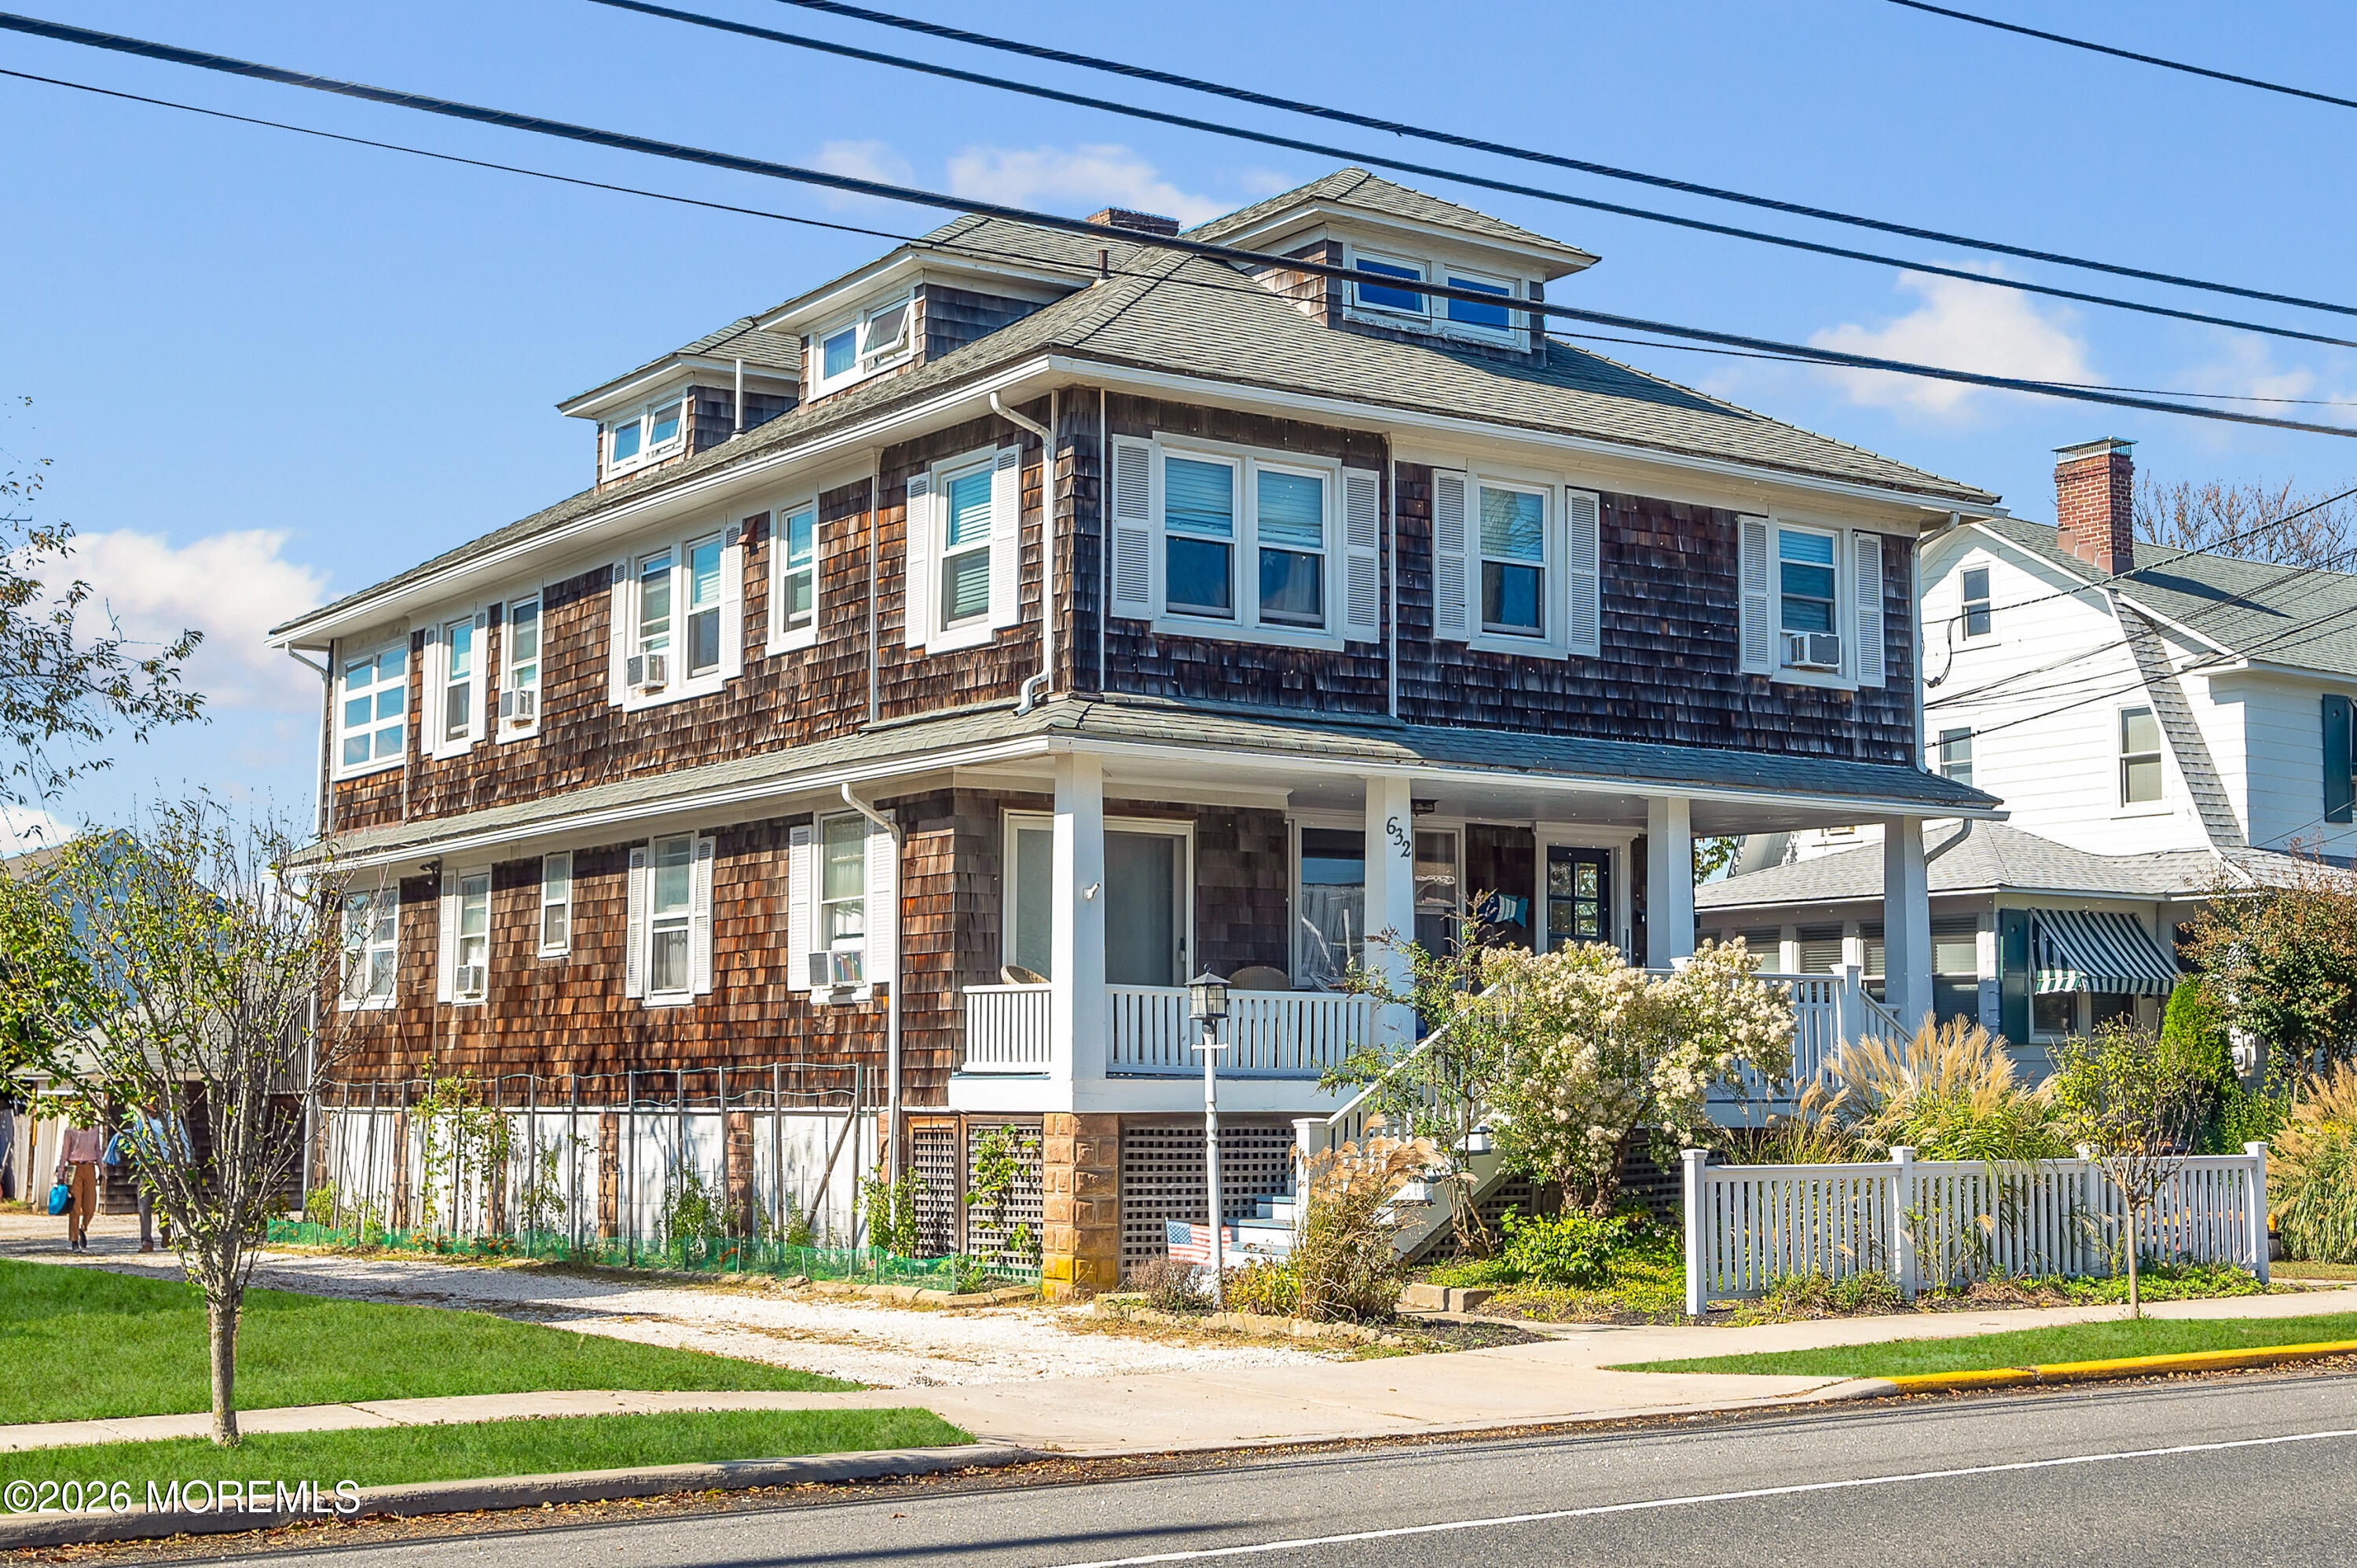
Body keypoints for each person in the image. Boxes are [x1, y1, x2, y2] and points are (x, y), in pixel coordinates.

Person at [104, 1105, 180, 1252]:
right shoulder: (141, 1120)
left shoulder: (169, 1118)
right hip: (146, 1167)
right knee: (144, 1205)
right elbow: (136, 1136)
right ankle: (147, 1242)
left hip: (164, 1165)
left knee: (164, 1203)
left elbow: (181, 1137)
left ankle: (166, 1232)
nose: (149, 1112)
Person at [56, 1118, 104, 1251]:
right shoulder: (70, 1130)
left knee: (90, 1206)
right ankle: (74, 1241)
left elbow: (98, 1151)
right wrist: (61, 1174)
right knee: (75, 1206)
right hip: (73, 1167)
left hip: (89, 1167)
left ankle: (82, 1228)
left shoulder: (94, 1129)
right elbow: (64, 1153)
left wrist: (102, 1170)